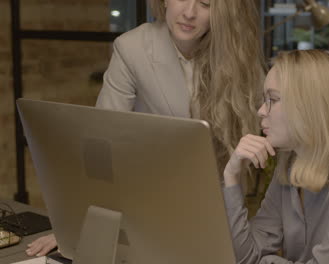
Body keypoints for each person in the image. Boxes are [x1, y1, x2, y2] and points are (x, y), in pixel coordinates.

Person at [26, 0, 265, 257]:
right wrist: (78, 229)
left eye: (206, 3)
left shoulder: (239, 52)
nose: (189, 12)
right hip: (146, 207)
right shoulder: (132, 48)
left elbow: (254, 137)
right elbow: (100, 147)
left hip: (218, 210)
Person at [223, 50, 329, 264]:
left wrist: (266, 261)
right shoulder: (290, 162)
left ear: (310, 106)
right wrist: (231, 177)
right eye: (264, 99)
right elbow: (244, 257)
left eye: (273, 99)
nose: (261, 111)